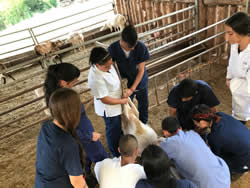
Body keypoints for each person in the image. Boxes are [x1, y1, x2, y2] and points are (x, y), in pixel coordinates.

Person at [44, 63, 109, 176]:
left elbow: (73, 115)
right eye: (74, 81)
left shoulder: (56, 97)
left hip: (81, 137)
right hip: (84, 137)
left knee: (83, 158)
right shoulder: (63, 100)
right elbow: (66, 128)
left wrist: (88, 104)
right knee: (104, 159)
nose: (75, 83)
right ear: (63, 82)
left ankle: (87, 176)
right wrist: (89, 136)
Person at [35, 88, 88, 188]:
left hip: (42, 183)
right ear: (73, 112)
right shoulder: (68, 144)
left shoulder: (46, 126)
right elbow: (77, 183)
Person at [160, 116, 231, 188]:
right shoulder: (193, 134)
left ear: (165, 132)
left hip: (206, 185)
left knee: (168, 166)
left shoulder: (167, 143)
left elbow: (159, 156)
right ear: (180, 128)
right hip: (224, 179)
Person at [88, 47, 128, 157]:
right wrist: (122, 101)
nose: (110, 67)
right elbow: (104, 99)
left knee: (118, 127)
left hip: (117, 101)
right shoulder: (95, 78)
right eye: (106, 66)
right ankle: (116, 154)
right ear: (97, 64)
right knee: (113, 131)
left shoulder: (107, 65)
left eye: (110, 64)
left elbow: (114, 71)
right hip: (109, 109)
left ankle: (121, 145)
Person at [108, 25, 150, 124]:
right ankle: (129, 127)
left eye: (134, 45)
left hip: (140, 81)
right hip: (124, 84)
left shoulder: (140, 47)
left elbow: (141, 70)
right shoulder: (113, 49)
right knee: (125, 107)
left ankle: (143, 124)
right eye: (129, 46)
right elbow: (111, 68)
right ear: (122, 41)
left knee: (143, 105)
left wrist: (132, 89)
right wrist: (122, 85)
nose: (132, 49)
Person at [191, 104, 250, 174]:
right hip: (246, 144)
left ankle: (238, 169)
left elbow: (215, 155)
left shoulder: (215, 137)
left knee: (216, 163)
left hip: (246, 160)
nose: (196, 125)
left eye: (196, 123)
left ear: (202, 122)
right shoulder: (220, 115)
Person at [225, 12, 250, 124]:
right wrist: (228, 77)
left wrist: (231, 83)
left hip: (245, 96)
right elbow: (231, 63)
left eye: (230, 34)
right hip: (237, 93)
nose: (226, 38)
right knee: (238, 113)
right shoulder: (235, 45)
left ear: (243, 33)